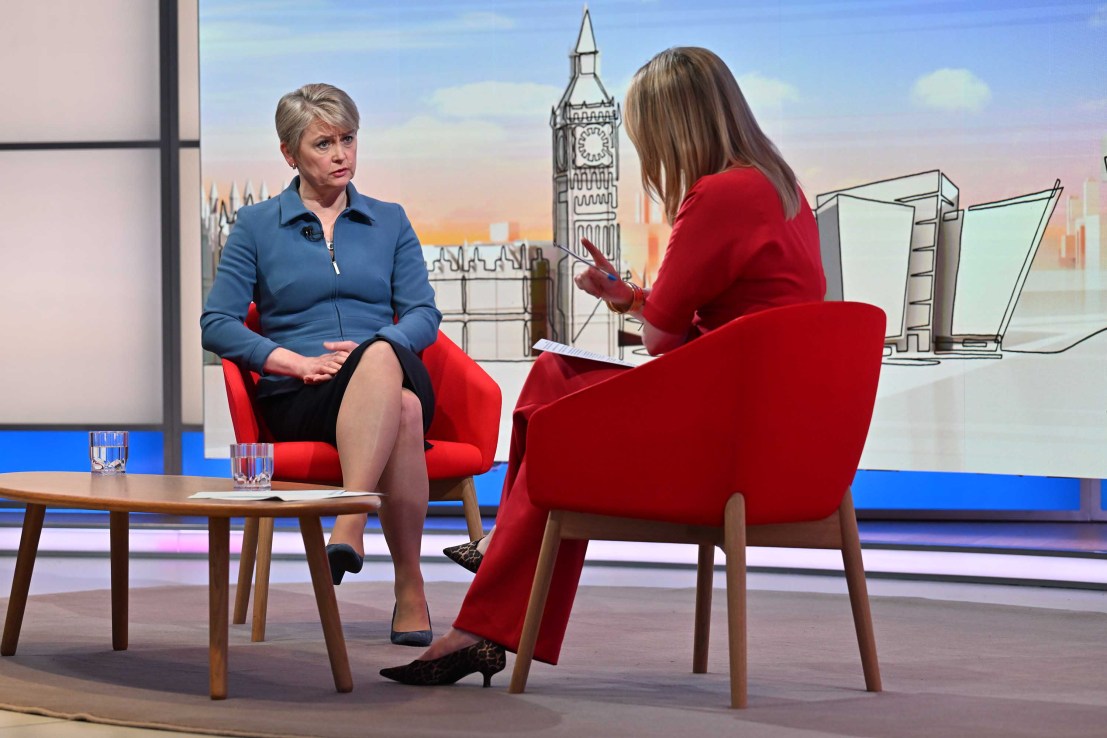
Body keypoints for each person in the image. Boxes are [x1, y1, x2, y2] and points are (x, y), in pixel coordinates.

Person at [380, 46, 827, 687]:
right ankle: (492, 587)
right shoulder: (779, 188)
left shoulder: (717, 195)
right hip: (768, 427)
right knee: (556, 379)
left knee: (560, 411)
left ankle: (488, 603)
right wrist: (631, 298)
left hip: (726, 440)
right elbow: (713, 321)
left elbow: (661, 343)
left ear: (674, 126)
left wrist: (647, 311)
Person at [201, 83, 440, 647]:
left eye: (349, 139)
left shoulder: (390, 220)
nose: (342, 155)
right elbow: (218, 322)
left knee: (383, 361)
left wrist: (374, 347)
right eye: (324, 143)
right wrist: (291, 362)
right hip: (303, 394)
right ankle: (411, 590)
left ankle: (350, 521)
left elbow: (424, 314)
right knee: (403, 411)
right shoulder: (257, 226)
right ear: (290, 154)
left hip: (388, 363)